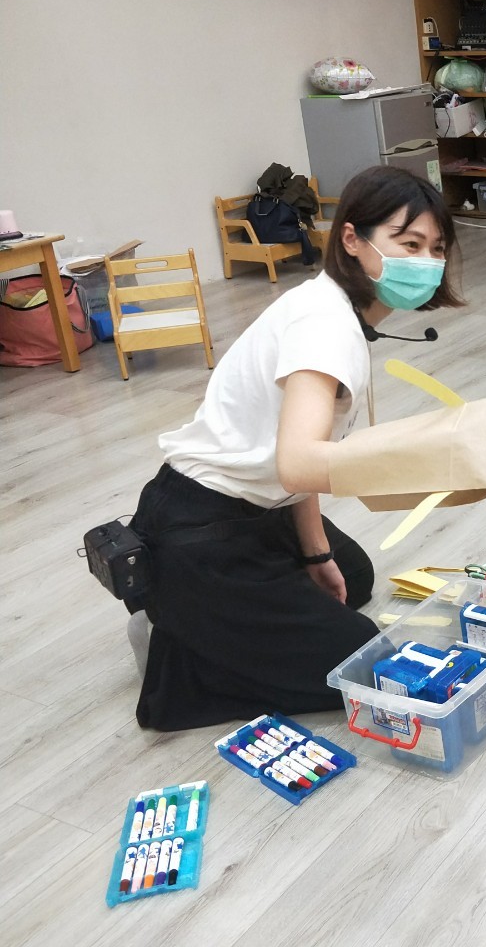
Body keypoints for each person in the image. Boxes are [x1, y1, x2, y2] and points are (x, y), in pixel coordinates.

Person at [128, 165, 462, 732]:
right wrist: (422, 457)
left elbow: (302, 457)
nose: (425, 263)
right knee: (366, 669)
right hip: (201, 527)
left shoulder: (332, 307)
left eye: (436, 249)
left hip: (247, 510)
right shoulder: (325, 327)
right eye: (408, 245)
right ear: (352, 239)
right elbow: (300, 462)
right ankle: (183, 648)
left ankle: (200, 614)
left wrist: (315, 553)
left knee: (348, 574)